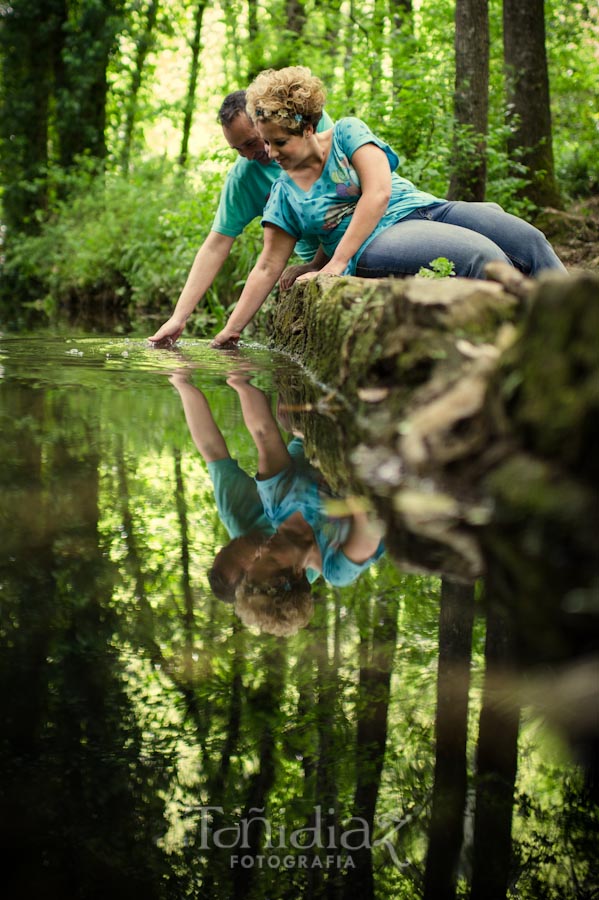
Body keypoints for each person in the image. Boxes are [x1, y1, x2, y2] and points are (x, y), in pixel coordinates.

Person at [210, 66, 566, 349]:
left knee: (529, 240)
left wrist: (328, 262)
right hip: (378, 239)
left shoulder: (347, 133)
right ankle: (522, 353)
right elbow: (268, 265)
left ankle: (578, 330)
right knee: (482, 256)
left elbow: (378, 192)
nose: (270, 154)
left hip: (424, 207)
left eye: (279, 142)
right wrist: (231, 330)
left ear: (307, 127)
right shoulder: (284, 193)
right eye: (266, 143)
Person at [170, 368, 385, 636]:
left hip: (329, 432)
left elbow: (263, 433)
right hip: (382, 460)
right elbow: (373, 515)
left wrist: (237, 376)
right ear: (295, 574)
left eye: (254, 558)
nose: (261, 550)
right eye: (266, 560)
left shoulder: (275, 508)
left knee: (289, 416)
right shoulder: (337, 568)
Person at [149, 90, 333, 347]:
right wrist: (179, 318)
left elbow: (347, 198)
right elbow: (216, 245)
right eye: (237, 149)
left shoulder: (311, 129)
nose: (247, 155)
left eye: (250, 143)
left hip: (346, 243)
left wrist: (320, 264)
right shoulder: (244, 177)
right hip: (317, 255)